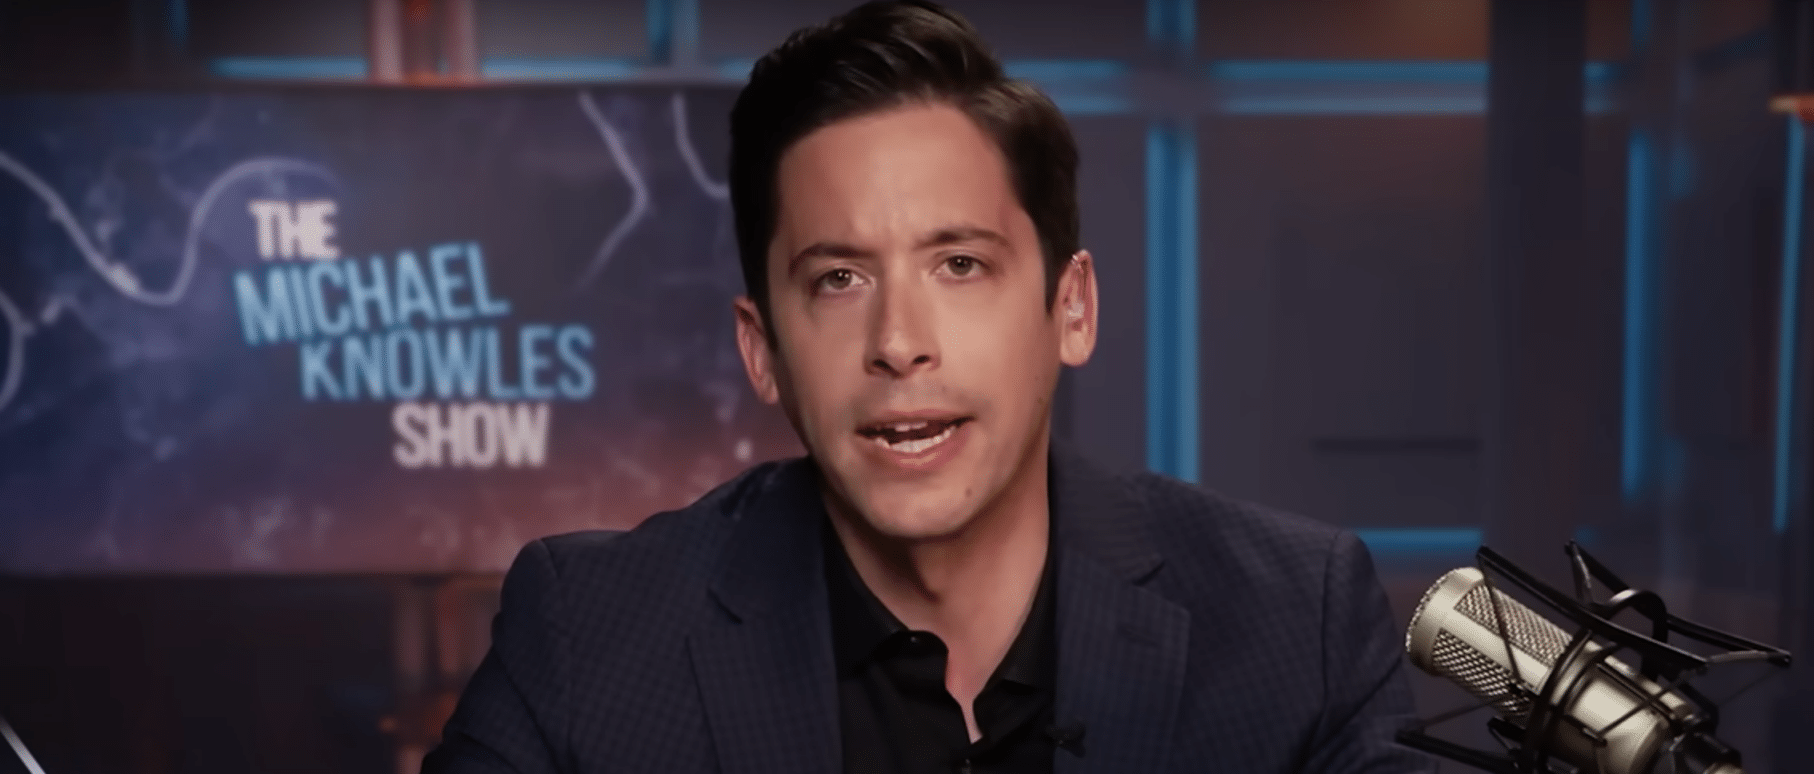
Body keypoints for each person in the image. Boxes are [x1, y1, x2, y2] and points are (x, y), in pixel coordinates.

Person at [424, 2, 1431, 772]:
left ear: (1071, 309)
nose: (898, 344)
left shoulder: (1292, 625)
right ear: (761, 349)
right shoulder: (589, 634)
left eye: (959, 265)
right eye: (837, 279)